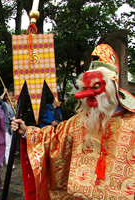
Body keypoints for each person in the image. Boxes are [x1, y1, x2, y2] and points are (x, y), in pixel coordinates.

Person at [11, 44, 135, 199]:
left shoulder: (132, 122)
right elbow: (54, 139)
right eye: (85, 87)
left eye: (96, 86)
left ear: (111, 87)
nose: (89, 94)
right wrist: (27, 133)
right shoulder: (80, 122)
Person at [0, 88, 16, 169]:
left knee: (12, 145)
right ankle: (8, 162)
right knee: (8, 145)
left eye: (12, 95)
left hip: (13, 127)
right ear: (7, 97)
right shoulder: (4, 104)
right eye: (10, 95)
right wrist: (4, 92)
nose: (12, 97)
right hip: (6, 126)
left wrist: (15, 106)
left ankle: (9, 161)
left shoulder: (14, 106)